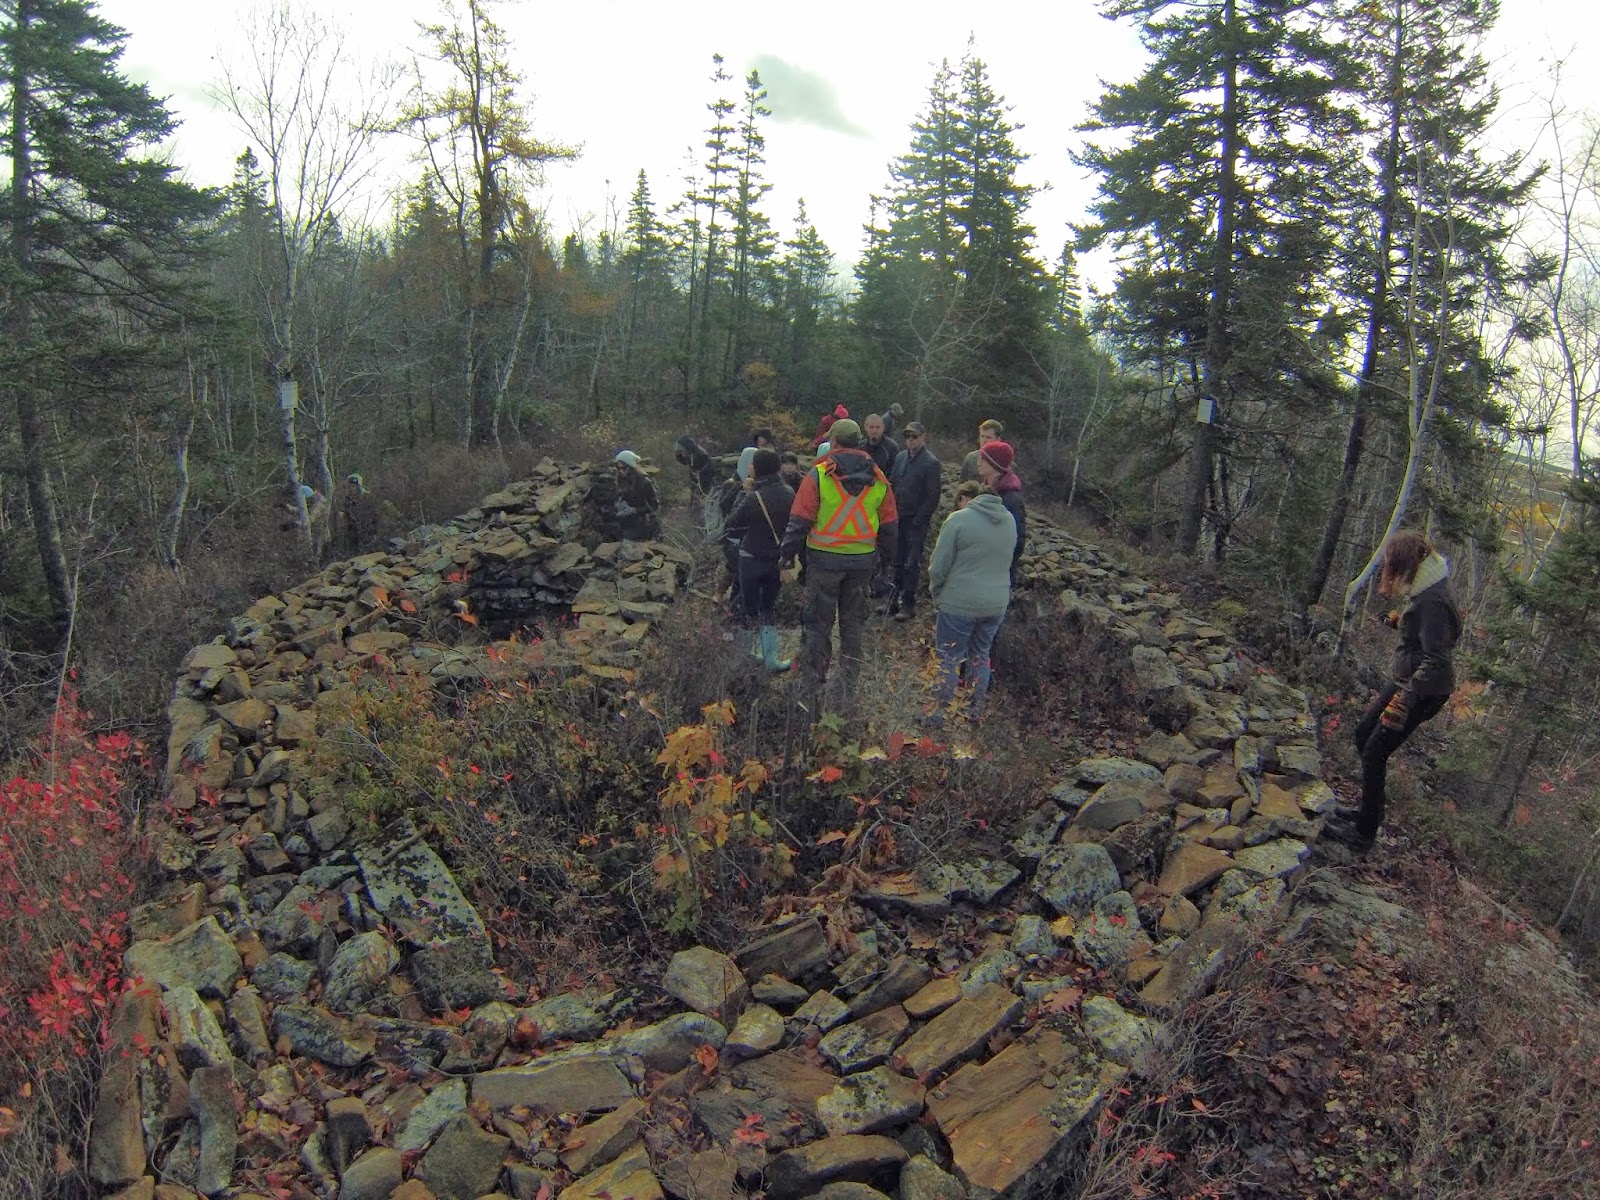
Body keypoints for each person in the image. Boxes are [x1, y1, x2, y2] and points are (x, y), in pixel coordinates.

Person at [1325, 531, 1461, 854]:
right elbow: (1432, 632)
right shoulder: (1429, 584)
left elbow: (1438, 659)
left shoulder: (1431, 600)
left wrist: (1407, 698)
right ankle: (1367, 812)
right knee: (1362, 736)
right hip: (1407, 678)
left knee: (1374, 751)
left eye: (1392, 563)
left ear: (1406, 562)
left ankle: (1363, 834)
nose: (1389, 570)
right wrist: (1401, 622)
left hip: (1422, 689)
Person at [779, 419, 899, 705]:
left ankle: (812, 684)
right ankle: (848, 686)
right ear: (859, 442)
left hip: (824, 561)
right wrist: (885, 563)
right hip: (861, 564)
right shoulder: (879, 478)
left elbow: (800, 519)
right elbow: (891, 526)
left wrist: (787, 555)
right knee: (853, 625)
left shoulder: (819, 475)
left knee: (818, 623)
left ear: (833, 442)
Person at [927, 480, 1016, 724]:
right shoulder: (1009, 521)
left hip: (959, 602)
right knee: (980, 655)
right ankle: (973, 711)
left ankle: (939, 713)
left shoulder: (958, 520)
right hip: (996, 602)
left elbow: (939, 567)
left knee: (949, 657)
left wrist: (936, 593)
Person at [724, 450, 796, 672]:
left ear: (758, 468)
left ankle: (745, 656)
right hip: (776, 559)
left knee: (748, 607)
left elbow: (732, 522)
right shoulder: (789, 492)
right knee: (769, 608)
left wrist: (743, 492)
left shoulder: (753, 496)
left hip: (751, 558)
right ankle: (771, 659)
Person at [886, 422, 942, 620]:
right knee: (897, 560)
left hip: (916, 521)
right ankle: (892, 601)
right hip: (898, 517)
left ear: (923, 437)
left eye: (915, 436)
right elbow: (892, 484)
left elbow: (932, 496)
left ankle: (908, 604)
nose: (911, 440)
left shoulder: (931, 463)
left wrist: (920, 519)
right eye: (908, 436)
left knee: (912, 563)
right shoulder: (901, 457)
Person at [975, 440, 1026, 585]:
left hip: (997, 575)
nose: (978, 462)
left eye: (982, 459)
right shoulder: (982, 491)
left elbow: (1018, 542)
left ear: (994, 464)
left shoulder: (1011, 500)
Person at [612, 450, 661, 541]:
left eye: (624, 468)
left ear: (631, 467)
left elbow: (654, 505)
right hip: (625, 524)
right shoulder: (622, 481)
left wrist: (635, 510)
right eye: (618, 469)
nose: (621, 471)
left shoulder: (644, 483)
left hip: (642, 525)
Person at [338, 472, 377, 555]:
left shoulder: (367, 497)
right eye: (351, 486)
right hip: (353, 531)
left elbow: (373, 514)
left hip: (367, 529)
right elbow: (346, 512)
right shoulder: (348, 499)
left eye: (354, 486)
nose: (352, 488)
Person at [675, 434, 722, 499]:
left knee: (707, 491)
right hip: (701, 473)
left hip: (705, 473)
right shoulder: (693, 452)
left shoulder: (696, 453)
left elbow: (697, 464)